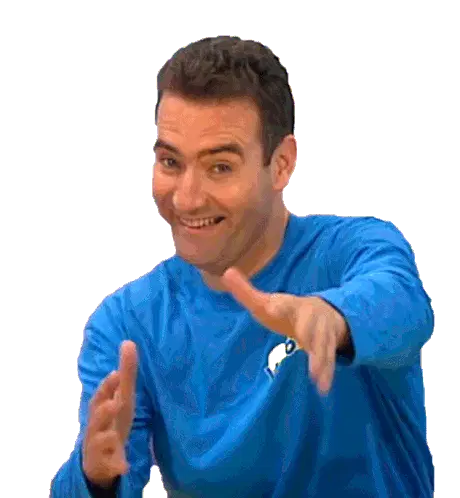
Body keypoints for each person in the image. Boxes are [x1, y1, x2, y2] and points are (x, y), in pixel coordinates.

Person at [49, 35, 435, 497]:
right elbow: (103, 473)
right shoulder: (127, 324)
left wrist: (333, 317)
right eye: (170, 162)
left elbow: (403, 303)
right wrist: (93, 477)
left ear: (282, 164)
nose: (186, 198)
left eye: (220, 167)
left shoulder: (355, 249)